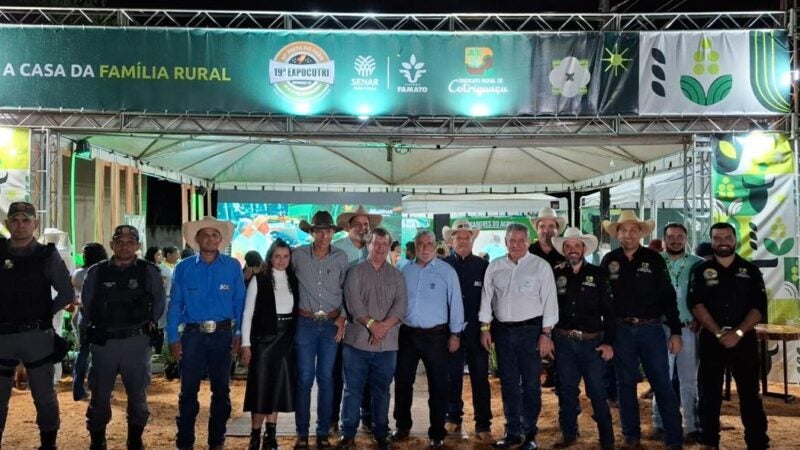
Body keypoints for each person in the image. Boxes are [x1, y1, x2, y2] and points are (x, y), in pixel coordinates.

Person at [600, 211, 683, 450]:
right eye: (623, 230)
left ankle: (674, 438)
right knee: (625, 384)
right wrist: (608, 335)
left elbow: (668, 297)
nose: (628, 234)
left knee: (661, 384)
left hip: (651, 329)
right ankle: (630, 436)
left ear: (640, 233)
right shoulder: (609, 260)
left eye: (633, 230)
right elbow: (604, 301)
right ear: (617, 234)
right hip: (621, 330)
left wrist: (675, 331)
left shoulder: (654, 259)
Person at [81, 225, 165, 450]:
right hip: (104, 342)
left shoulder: (149, 271)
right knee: (99, 396)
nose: (124, 246)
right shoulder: (97, 272)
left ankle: (135, 439)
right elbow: (87, 306)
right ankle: (98, 440)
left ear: (137, 245)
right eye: (120, 241)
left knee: (137, 396)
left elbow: (158, 305)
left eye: (130, 242)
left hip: (136, 342)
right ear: (112, 245)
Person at [688, 223, 769, 450]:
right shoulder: (701, 271)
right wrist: (718, 332)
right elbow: (696, 304)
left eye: (727, 237)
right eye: (716, 237)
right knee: (709, 394)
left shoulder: (750, 270)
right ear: (711, 241)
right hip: (712, 340)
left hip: (744, 341)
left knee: (750, 395)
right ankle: (709, 441)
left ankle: (757, 442)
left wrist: (738, 333)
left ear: (735, 240)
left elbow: (759, 308)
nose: (722, 241)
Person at [167, 216, 245, 450]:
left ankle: (217, 440)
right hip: (192, 337)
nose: (210, 239)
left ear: (220, 240)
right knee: (188, 390)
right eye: (205, 235)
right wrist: (173, 337)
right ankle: (185, 441)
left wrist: (240, 332)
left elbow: (240, 302)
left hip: (223, 336)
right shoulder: (184, 268)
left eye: (215, 235)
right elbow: (175, 304)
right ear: (197, 239)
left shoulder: (232, 266)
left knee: (221, 390)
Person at [0, 202, 73, 449]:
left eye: (26, 220)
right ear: (8, 223)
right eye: (15, 220)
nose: (20, 225)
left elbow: (66, 292)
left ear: (35, 224)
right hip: (3, 336)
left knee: (44, 397)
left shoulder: (47, 255)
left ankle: (48, 444)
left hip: (37, 337)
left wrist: (43, 314)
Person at [479, 222, 558, 450]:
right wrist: (485, 328)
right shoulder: (494, 267)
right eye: (512, 240)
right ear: (505, 242)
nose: (516, 244)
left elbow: (550, 302)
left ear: (528, 241)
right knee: (509, 384)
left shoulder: (540, 266)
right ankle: (512, 431)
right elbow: (487, 299)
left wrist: (546, 334)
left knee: (532, 384)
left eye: (521, 240)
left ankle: (530, 433)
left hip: (531, 332)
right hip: (502, 332)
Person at [392, 230, 464, 450]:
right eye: (420, 243)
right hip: (408, 335)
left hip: (437, 337)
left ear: (435, 245)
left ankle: (437, 432)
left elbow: (456, 304)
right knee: (403, 382)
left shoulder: (447, 271)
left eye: (429, 243)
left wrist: (455, 334)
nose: (425, 247)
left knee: (439, 386)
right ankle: (402, 426)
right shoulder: (404, 270)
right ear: (415, 246)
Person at [337, 228, 406, 450]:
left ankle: (381, 432)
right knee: (352, 390)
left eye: (384, 244)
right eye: (376, 243)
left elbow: (402, 305)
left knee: (382, 391)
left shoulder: (397, 275)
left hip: (387, 346)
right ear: (368, 244)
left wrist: (383, 327)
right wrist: (372, 325)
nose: (380, 248)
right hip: (357, 344)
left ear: (389, 246)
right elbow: (353, 304)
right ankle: (348, 434)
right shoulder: (354, 272)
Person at [550, 227, 615, 449]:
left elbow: (610, 310)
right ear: (564, 250)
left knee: (597, 390)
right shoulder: (556, 273)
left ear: (584, 248)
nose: (572, 250)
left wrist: (608, 342)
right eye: (568, 246)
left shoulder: (599, 274)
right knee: (567, 390)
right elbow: (549, 307)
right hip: (564, 340)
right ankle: (569, 433)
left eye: (577, 246)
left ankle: (607, 439)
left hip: (592, 342)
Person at [292, 211, 349, 449]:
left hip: (330, 325)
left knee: (326, 379)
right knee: (304, 378)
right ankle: (302, 433)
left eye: (328, 230)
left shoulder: (341, 257)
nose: (324, 235)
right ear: (312, 232)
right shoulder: (297, 255)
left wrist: (344, 317)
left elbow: (348, 289)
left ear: (333, 232)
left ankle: (322, 432)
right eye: (319, 230)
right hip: (304, 323)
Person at [240, 239, 299, 450]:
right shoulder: (259, 279)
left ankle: (271, 435)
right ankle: (255, 435)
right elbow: (247, 314)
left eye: (285, 256)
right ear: (270, 257)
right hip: (264, 342)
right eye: (277, 256)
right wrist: (245, 345)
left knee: (278, 389)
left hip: (286, 341)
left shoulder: (294, 279)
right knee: (261, 389)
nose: (281, 261)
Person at [651, 223, 704, 444]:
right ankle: (659, 423)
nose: (675, 240)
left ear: (686, 238)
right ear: (663, 239)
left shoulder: (697, 264)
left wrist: (699, 320)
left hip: (687, 328)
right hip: (660, 328)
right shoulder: (654, 262)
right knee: (661, 378)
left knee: (689, 380)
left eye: (679, 237)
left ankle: (691, 426)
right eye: (671, 236)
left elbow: (703, 295)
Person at [332, 205, 383, 434]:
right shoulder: (338, 250)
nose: (363, 228)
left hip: (368, 321)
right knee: (337, 373)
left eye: (366, 224)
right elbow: (336, 288)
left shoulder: (375, 250)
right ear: (348, 227)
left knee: (367, 372)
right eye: (359, 224)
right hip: (343, 320)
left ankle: (367, 418)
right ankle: (333, 419)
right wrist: (342, 316)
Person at [441, 220, 492, 442]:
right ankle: (453, 416)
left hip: (476, 331)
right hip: (450, 332)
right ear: (450, 241)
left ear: (473, 240)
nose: (462, 241)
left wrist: (485, 328)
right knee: (452, 377)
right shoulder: (441, 266)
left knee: (480, 378)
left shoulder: (483, 266)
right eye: (458, 237)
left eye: (466, 237)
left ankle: (483, 423)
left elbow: (490, 301)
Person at [528, 207, 567, 388]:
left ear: (557, 229)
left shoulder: (565, 252)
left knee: (561, 357)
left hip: (561, 310)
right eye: (542, 225)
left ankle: (558, 384)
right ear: (537, 229)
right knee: (533, 358)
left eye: (551, 225)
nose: (547, 229)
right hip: (533, 311)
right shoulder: (528, 252)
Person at [72, 242, 108, 402]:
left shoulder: (78, 274)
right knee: (102, 355)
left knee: (83, 352)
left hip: (83, 316)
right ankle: (99, 389)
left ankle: (78, 388)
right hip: (104, 318)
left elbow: (76, 295)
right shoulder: (105, 272)